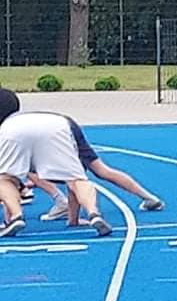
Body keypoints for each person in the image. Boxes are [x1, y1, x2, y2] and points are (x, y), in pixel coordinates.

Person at [0, 90, 111, 239]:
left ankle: (16, 216)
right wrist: (73, 220)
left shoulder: (5, 125)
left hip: (12, 131)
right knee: (77, 179)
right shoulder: (21, 113)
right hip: (57, 124)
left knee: (5, 179)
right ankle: (94, 213)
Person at [33, 119, 165, 220]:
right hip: (64, 124)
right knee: (101, 170)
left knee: (71, 174)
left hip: (56, 131)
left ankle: (62, 202)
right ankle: (149, 198)